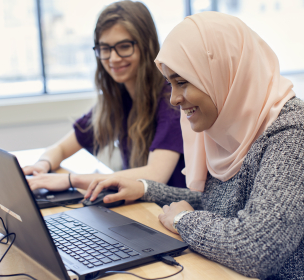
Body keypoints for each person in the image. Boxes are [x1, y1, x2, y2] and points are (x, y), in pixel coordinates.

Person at [85, 12, 304, 279]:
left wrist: (183, 220)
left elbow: (256, 249)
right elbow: (222, 206)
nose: (173, 99)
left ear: (220, 73)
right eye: (170, 84)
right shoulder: (231, 128)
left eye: (182, 82)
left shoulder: (298, 132)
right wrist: (145, 189)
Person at [23, 1, 186, 191]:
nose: (113, 58)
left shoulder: (170, 99)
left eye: (124, 46)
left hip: (170, 210)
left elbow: (155, 174)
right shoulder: (118, 97)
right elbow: (60, 148)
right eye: (105, 48)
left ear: (146, 46)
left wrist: (71, 180)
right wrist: (42, 165)